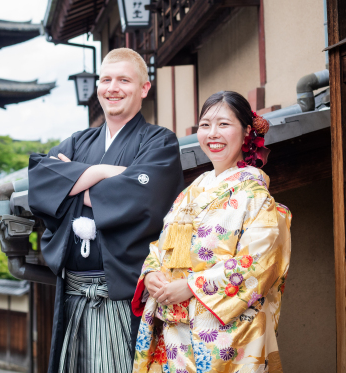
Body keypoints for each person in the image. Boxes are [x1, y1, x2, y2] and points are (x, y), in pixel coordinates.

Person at [28, 48, 184, 373]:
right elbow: (40, 184)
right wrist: (105, 173)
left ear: (143, 88)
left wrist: (74, 181)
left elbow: (142, 199)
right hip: (72, 292)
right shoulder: (78, 141)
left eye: (124, 80)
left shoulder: (160, 142)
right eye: (106, 79)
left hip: (122, 295)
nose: (112, 87)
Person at [131, 91, 292, 373]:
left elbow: (258, 266)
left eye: (224, 124)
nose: (212, 133)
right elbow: (162, 246)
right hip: (174, 335)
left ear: (246, 132)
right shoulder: (190, 192)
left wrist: (191, 286)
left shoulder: (256, 197)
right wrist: (152, 274)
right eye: (205, 125)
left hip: (224, 337)